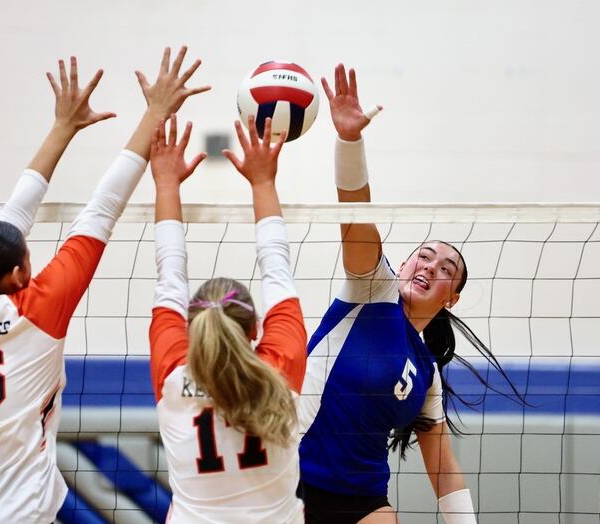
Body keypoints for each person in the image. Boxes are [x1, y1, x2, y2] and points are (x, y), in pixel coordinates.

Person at [0, 48, 209, 524]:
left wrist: (62, 127)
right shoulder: (39, 310)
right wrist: (155, 114)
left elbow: (9, 220)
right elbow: (102, 207)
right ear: (17, 276)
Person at [297, 64, 524, 524]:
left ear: (450, 299)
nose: (429, 267)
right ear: (402, 265)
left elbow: (443, 469)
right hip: (289, 478)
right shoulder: (370, 291)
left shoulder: (426, 375)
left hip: (360, 499)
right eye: (423, 256)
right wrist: (349, 142)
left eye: (446, 270)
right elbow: (357, 216)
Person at [148, 114, 307, 523]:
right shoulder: (280, 371)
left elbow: (170, 277)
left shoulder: (172, 377)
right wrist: (264, 182)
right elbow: (277, 270)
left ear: (190, 330)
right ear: (255, 330)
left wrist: (166, 184)